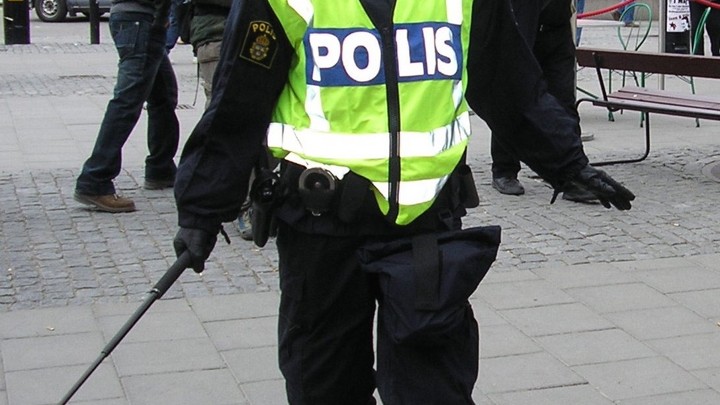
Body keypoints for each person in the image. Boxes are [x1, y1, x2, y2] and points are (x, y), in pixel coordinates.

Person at [172, 0, 635, 403]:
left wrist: (566, 162)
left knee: (433, 387)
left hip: (425, 223)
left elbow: (507, 80)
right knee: (323, 385)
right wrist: (201, 209)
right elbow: (239, 97)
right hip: (322, 229)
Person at [74, 0, 180, 213]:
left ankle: (161, 169)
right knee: (127, 102)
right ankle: (94, 179)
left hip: (142, 20)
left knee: (163, 95)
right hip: (140, 20)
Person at [490, 0, 596, 202]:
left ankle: (572, 175)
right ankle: (504, 169)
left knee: (564, 101)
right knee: (512, 93)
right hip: (522, 20)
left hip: (556, 23)